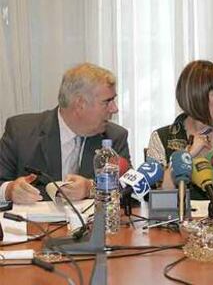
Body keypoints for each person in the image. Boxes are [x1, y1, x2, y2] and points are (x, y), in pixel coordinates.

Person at [0, 63, 131, 204]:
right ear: (80, 103)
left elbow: (129, 188)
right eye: (107, 102)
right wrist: (9, 190)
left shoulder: (115, 137)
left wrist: (91, 188)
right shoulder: (21, 132)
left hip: (92, 226)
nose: (115, 109)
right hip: (33, 224)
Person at [147, 60, 213, 199]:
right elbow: (158, 200)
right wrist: (188, 155)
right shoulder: (161, 137)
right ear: (196, 96)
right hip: (179, 219)